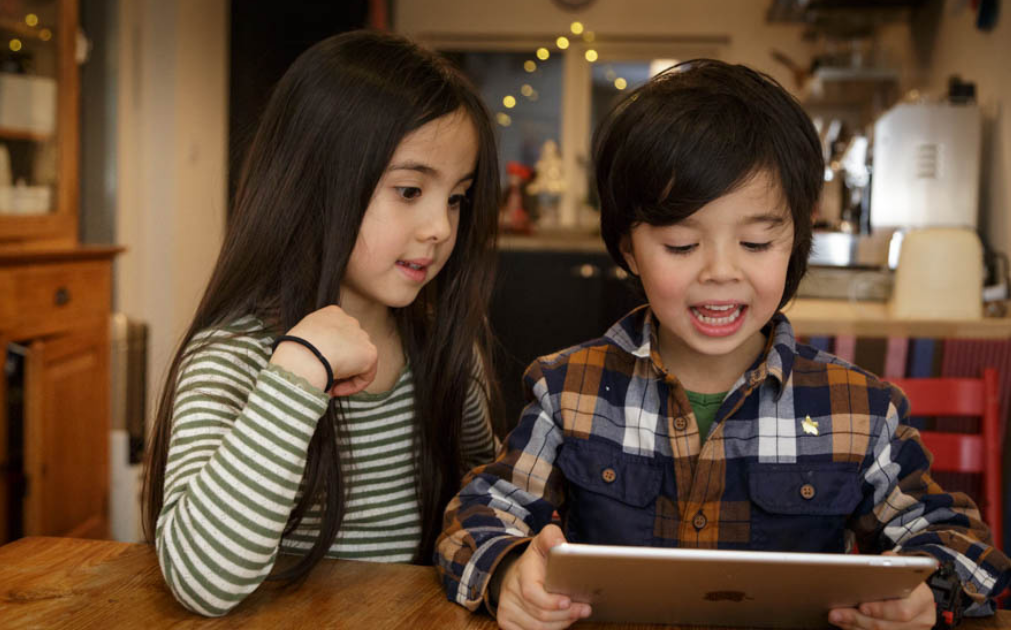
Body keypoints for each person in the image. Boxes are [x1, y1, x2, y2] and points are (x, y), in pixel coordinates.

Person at [435, 59, 1010, 630]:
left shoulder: (860, 409)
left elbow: (960, 542)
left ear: (795, 243)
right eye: (682, 245)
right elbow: (478, 516)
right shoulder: (570, 390)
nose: (721, 271)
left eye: (756, 243)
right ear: (629, 250)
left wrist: (926, 593)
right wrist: (510, 570)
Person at [141, 30, 504, 617]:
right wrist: (300, 369)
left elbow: (485, 504)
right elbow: (200, 581)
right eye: (410, 190)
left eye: (456, 198)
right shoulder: (233, 357)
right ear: (315, 185)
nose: (439, 226)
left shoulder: (445, 346)